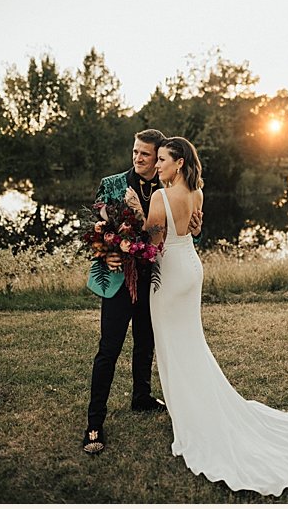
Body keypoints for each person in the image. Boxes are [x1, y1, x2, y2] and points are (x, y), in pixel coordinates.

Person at [146, 137, 288, 496]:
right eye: (156, 160)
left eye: (162, 160)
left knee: (173, 344)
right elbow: (195, 231)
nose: (157, 166)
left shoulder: (159, 198)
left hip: (169, 275)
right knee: (190, 340)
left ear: (178, 164)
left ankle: (188, 413)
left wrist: (131, 222)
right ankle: (189, 403)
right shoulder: (198, 193)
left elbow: (151, 246)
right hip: (192, 268)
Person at [82, 128, 202, 455]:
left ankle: (142, 397)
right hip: (120, 280)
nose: (137, 158)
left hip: (156, 279)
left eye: (145, 154)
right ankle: (95, 422)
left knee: (146, 340)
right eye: (135, 151)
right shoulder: (113, 184)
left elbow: (182, 237)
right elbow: (95, 229)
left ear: (158, 158)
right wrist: (104, 250)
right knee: (109, 348)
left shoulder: (170, 187)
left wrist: (195, 227)